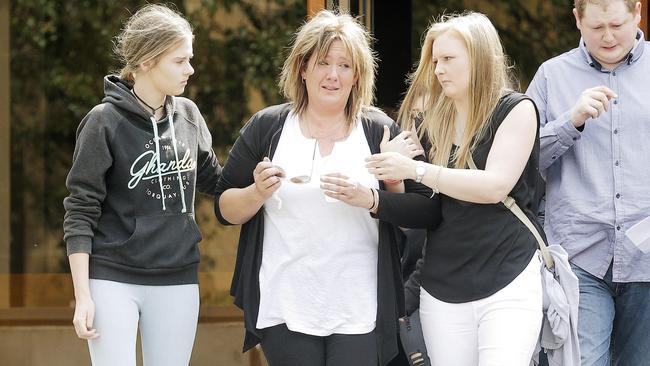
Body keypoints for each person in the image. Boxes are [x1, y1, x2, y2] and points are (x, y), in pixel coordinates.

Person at [214, 10, 423, 366]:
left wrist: (384, 184)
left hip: (361, 306)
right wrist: (256, 192)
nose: (332, 75)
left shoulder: (379, 130)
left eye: (344, 65)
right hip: (285, 304)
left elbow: (415, 219)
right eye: (323, 62)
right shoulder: (268, 127)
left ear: (357, 74)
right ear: (302, 68)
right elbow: (224, 208)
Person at [365, 12, 544, 365]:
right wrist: (392, 179)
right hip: (442, 287)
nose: (438, 70)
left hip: (508, 276)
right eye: (435, 61)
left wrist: (416, 167)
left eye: (448, 59)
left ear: (478, 58)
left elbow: (494, 185)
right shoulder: (432, 123)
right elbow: (422, 215)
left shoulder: (516, 110)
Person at [62, 4, 221, 365]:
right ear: (147, 61)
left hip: (178, 277)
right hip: (112, 278)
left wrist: (260, 176)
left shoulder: (190, 116)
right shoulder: (103, 122)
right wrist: (84, 295)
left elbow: (216, 181)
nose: (190, 70)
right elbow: (80, 210)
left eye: (189, 59)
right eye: (179, 61)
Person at [526, 0, 650, 364]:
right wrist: (571, 121)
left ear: (637, 14)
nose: (608, 36)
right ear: (577, 20)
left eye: (616, 24)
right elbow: (522, 162)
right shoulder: (552, 75)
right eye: (597, 27)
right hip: (580, 259)